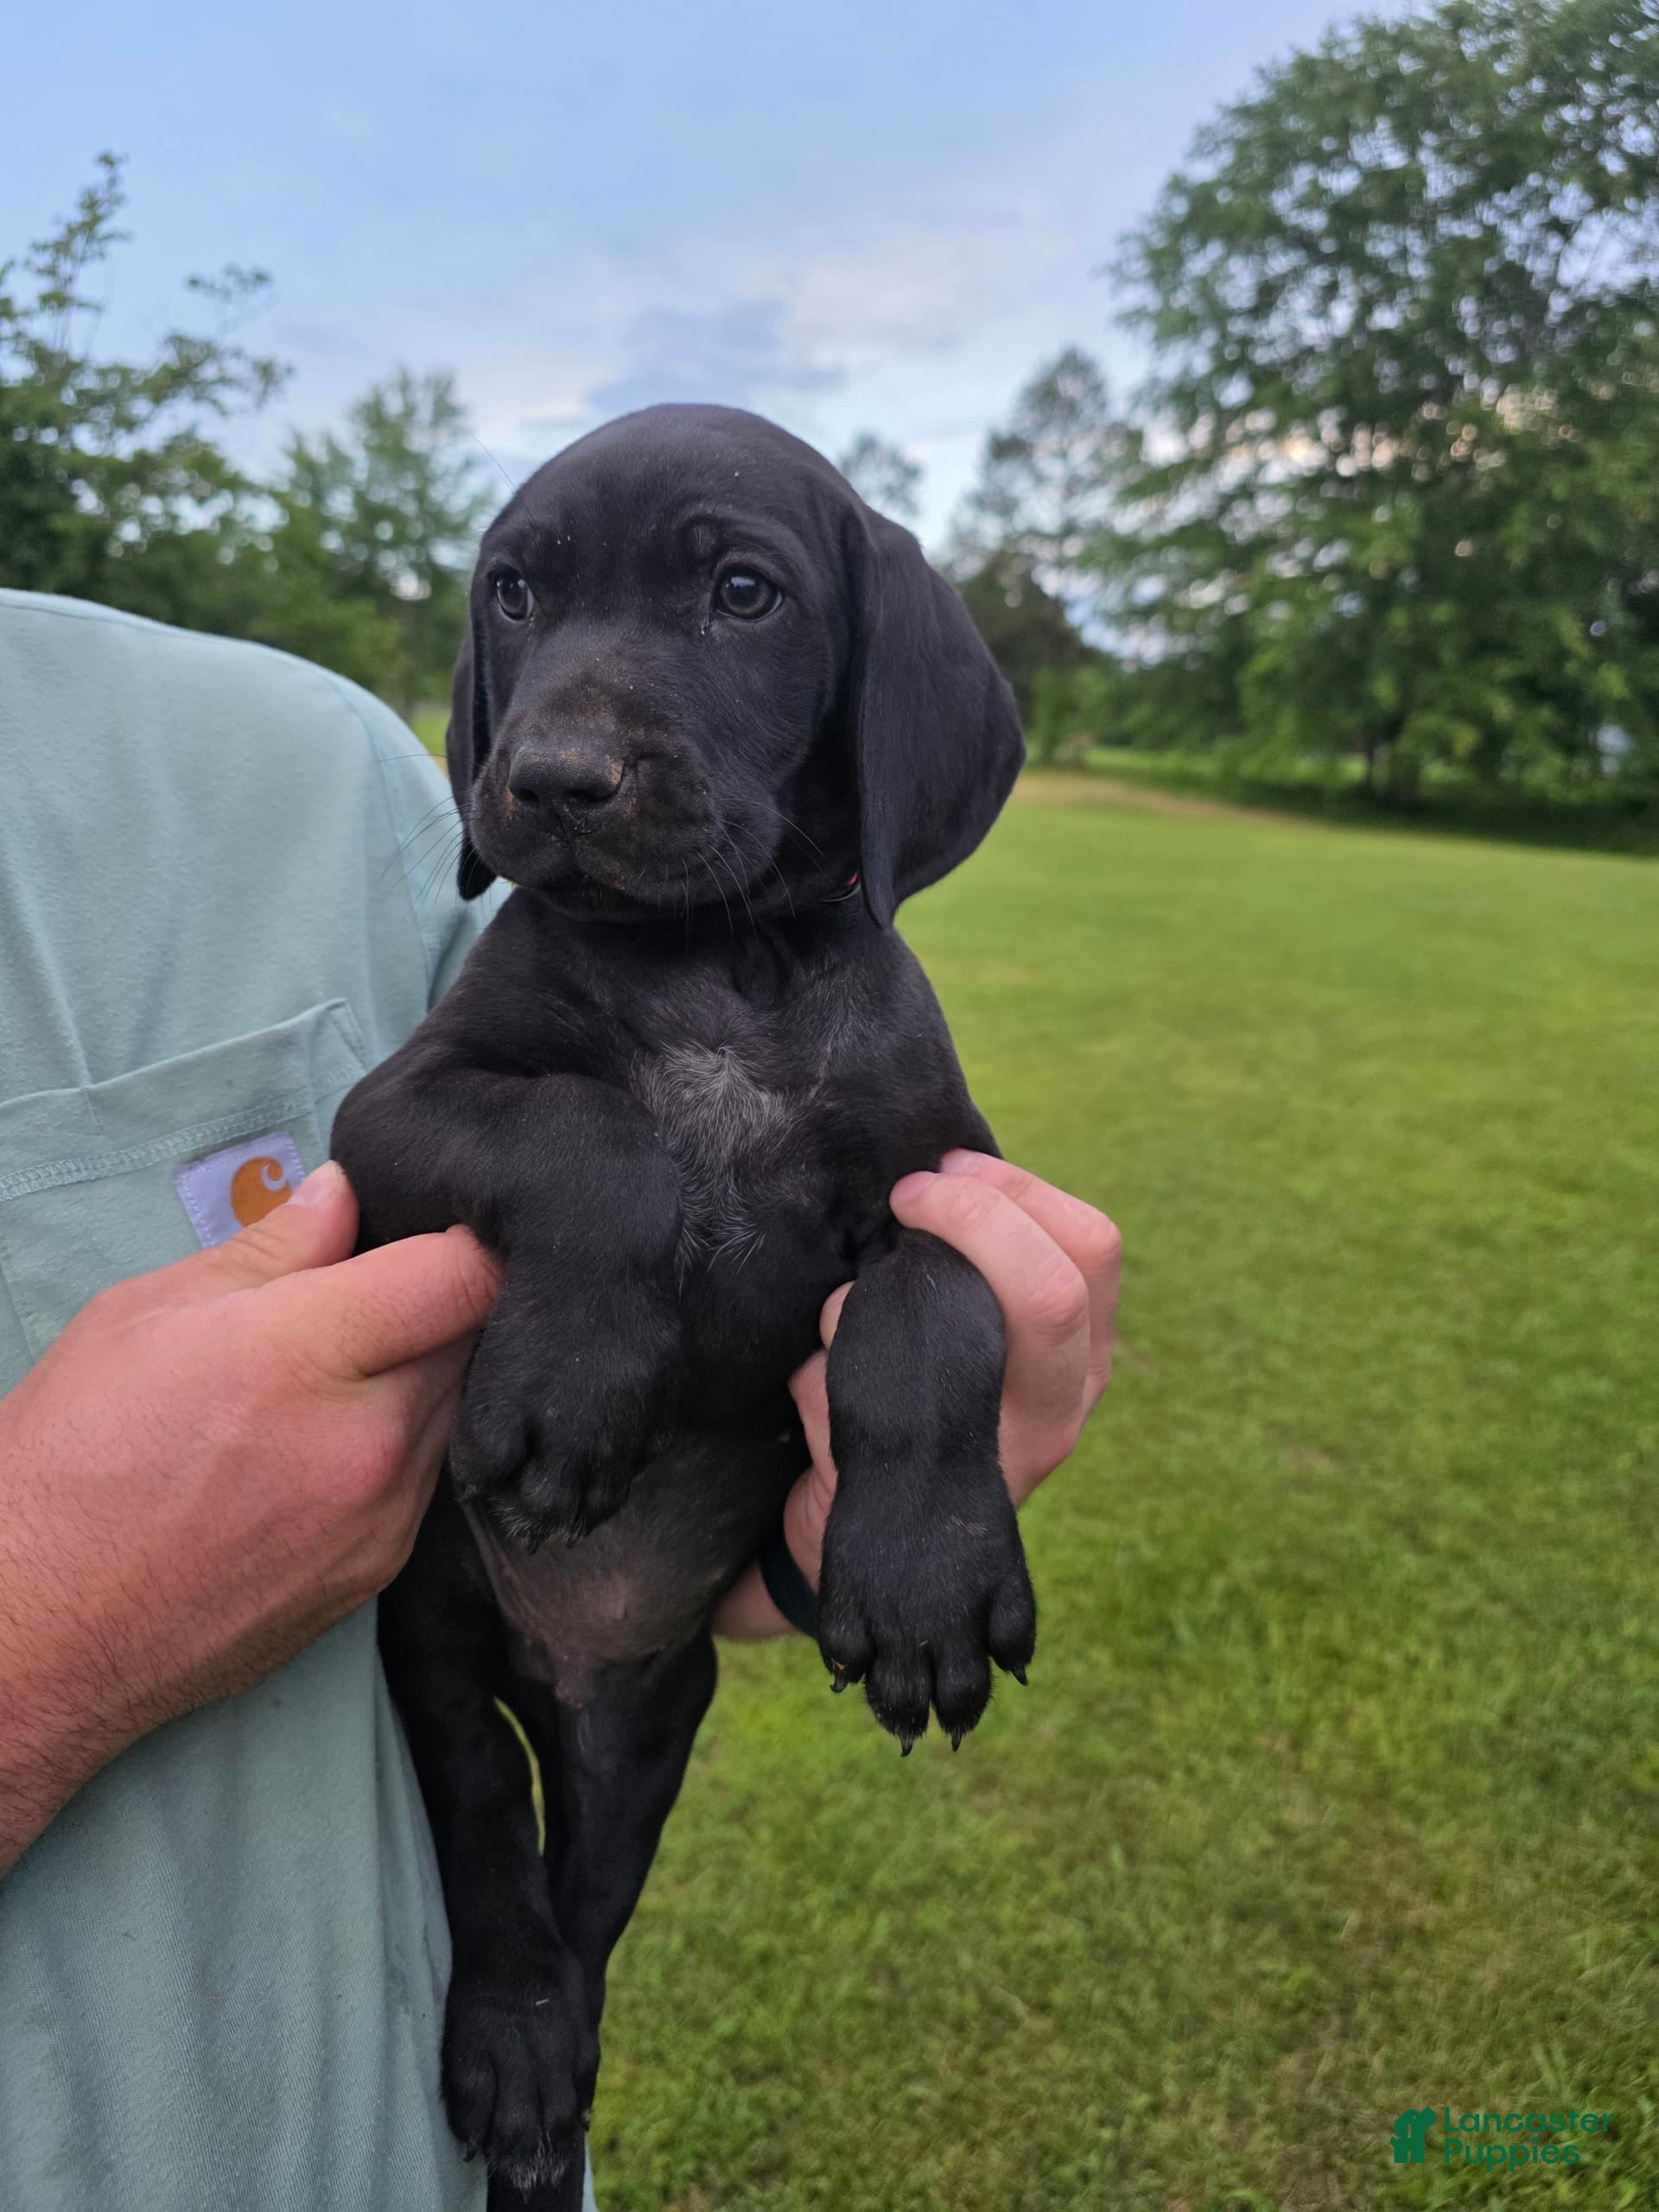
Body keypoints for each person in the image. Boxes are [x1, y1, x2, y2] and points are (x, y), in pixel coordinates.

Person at [0, 588, 1119, 2210]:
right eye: (522, 597)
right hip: (450, 1584)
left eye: (738, 594)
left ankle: (558, 1984)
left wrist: (894, 1478)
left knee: (620, 1786)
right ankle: (520, 1963)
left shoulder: (308, 763)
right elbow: (417, 1122)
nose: (567, 732)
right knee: (469, 1744)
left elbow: (926, 1238)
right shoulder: (516, 921)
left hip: (643, 1566)